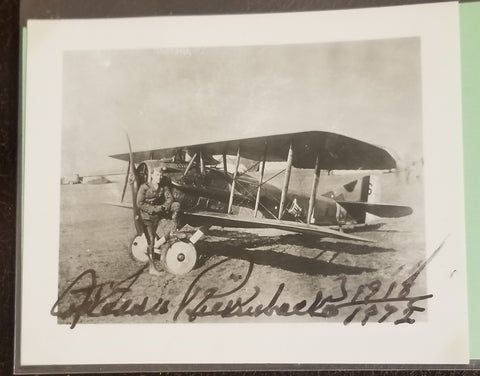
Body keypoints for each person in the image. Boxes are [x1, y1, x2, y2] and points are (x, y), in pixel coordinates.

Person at [136, 166, 181, 275]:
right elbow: (139, 203)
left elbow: (170, 198)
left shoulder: (163, 187)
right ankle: (152, 268)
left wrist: (164, 207)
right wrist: (153, 209)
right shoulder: (144, 187)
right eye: (157, 175)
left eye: (161, 175)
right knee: (151, 241)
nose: (159, 177)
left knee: (176, 205)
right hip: (147, 217)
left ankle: (174, 229)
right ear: (151, 175)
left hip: (158, 215)